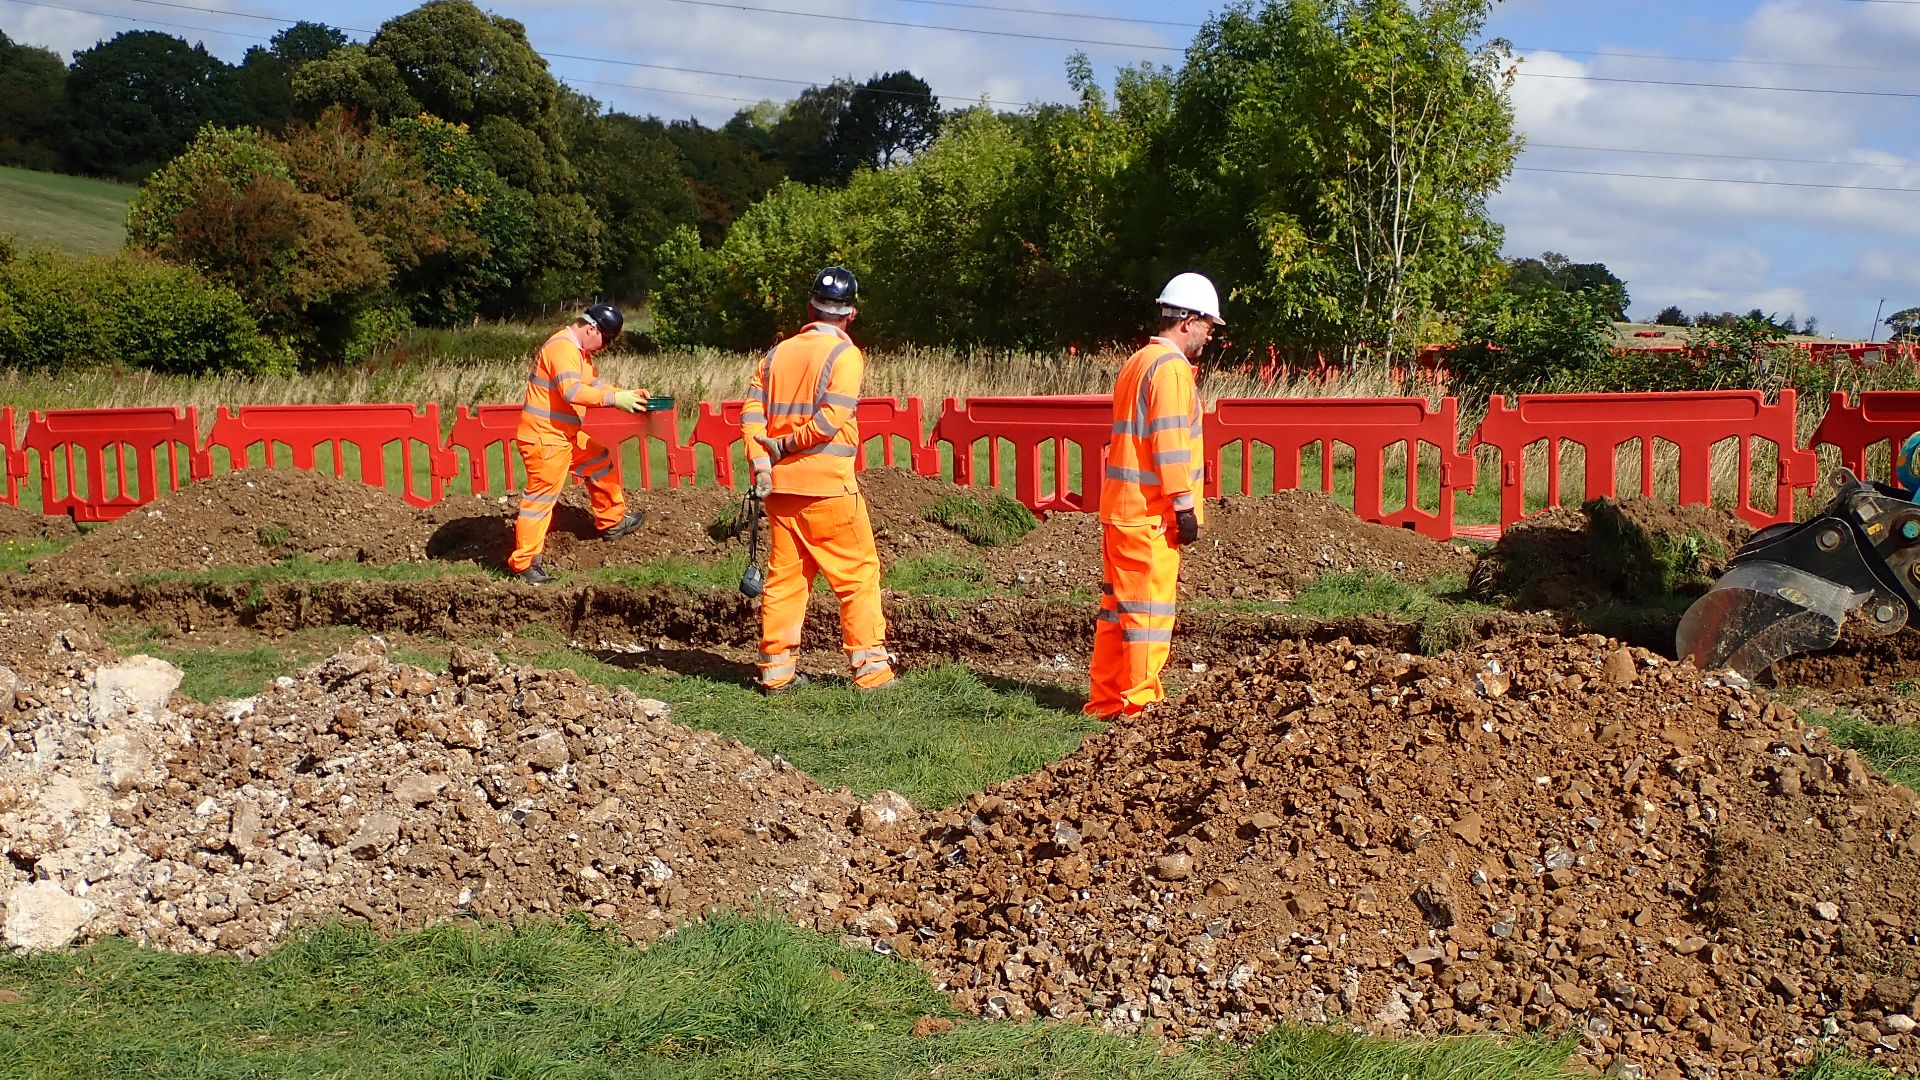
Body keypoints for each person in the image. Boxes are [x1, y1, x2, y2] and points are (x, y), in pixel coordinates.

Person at [740, 267, 897, 694]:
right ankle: (872, 673)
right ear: (851, 314)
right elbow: (829, 422)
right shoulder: (846, 356)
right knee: (858, 576)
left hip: (781, 491)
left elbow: (751, 417)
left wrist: (763, 463)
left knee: (786, 581)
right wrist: (787, 445)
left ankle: (777, 673)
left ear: (810, 307)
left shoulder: (774, 356)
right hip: (828, 488)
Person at [1084, 272, 1223, 719]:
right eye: (1208, 326)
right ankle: (1139, 706)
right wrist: (1184, 505)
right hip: (1149, 515)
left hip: (1123, 509)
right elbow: (1169, 441)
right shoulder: (1171, 369)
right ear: (1188, 321)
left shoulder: (1138, 361)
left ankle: (1105, 701)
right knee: (1148, 615)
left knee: (1116, 614)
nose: (1210, 336)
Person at [507, 304, 649, 584]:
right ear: (591, 328)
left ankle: (612, 521)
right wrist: (615, 400)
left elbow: (593, 387)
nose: (605, 346)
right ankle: (525, 564)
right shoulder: (563, 349)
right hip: (545, 438)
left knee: (598, 459)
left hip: (563, 434)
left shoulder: (580, 354)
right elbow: (572, 392)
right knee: (540, 500)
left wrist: (626, 395)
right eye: (606, 339)